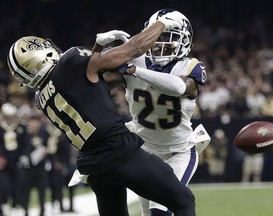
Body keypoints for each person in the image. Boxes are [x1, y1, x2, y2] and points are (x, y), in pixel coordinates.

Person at [7, 11, 197, 216]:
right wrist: (162, 23)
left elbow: (87, 81)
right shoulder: (71, 61)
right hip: (119, 150)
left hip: (94, 166)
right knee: (183, 201)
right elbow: (134, 48)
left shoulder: (40, 98)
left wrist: (97, 48)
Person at [99, 9, 211, 216]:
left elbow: (178, 87)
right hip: (143, 151)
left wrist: (135, 71)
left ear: (184, 41)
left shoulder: (190, 66)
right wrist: (104, 49)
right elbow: (95, 71)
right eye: (158, 37)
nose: (161, 44)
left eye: (169, 38)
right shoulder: (137, 59)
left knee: (160, 211)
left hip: (178, 152)